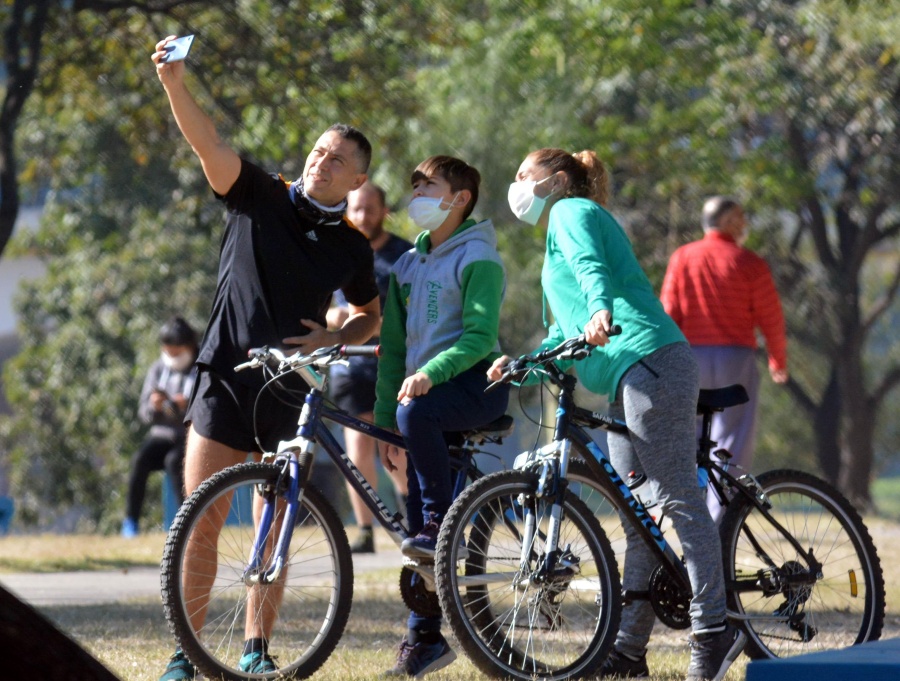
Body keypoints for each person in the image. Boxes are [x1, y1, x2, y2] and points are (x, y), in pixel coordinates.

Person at [152, 36, 381, 681]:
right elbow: (209, 146)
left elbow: (370, 316)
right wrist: (174, 82)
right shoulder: (261, 194)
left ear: (358, 179)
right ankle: (185, 654)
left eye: (338, 161)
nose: (323, 163)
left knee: (271, 524)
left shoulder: (351, 245)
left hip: (291, 389)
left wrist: (334, 340)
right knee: (200, 520)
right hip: (227, 375)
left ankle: (256, 647)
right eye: (318, 151)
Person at [489, 148, 746, 681]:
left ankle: (715, 629)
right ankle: (629, 651)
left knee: (676, 496)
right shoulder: (554, 240)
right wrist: (524, 366)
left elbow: (592, 271)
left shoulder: (571, 212)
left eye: (522, 174)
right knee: (637, 518)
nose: (515, 185)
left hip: (649, 358)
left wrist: (602, 308)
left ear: (557, 181)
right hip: (623, 376)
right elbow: (566, 332)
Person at [374, 155, 509, 677]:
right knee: (416, 530)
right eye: (415, 187)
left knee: (428, 516)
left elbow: (479, 339)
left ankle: (439, 522)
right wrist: (388, 423)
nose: (417, 196)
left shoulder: (480, 256)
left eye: (429, 186)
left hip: (476, 386)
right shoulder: (407, 265)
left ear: (460, 199)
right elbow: (390, 352)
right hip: (422, 402)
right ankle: (424, 640)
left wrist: (430, 374)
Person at [660, 196, 789, 523]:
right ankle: (720, 521)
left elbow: (669, 313)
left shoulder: (683, 258)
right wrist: (778, 359)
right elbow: (770, 316)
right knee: (732, 440)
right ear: (729, 221)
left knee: (688, 438)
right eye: (741, 218)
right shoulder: (748, 262)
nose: (745, 225)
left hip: (690, 358)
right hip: (736, 359)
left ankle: (689, 519)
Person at [326, 181, 411, 553]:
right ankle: (364, 531)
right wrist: (339, 317)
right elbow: (325, 309)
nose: (362, 216)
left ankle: (414, 521)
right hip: (350, 365)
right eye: (355, 209)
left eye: (370, 209)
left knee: (396, 448)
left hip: (393, 364)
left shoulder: (405, 255)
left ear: (384, 211)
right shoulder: (336, 251)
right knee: (358, 450)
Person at [122, 317, 198, 538]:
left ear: (190, 347)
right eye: (169, 351)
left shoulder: (201, 369)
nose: (172, 357)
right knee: (140, 460)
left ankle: (187, 520)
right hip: (162, 435)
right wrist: (156, 406)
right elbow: (144, 412)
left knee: (175, 462)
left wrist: (184, 404)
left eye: (177, 351)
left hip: (189, 436)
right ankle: (131, 522)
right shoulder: (158, 369)